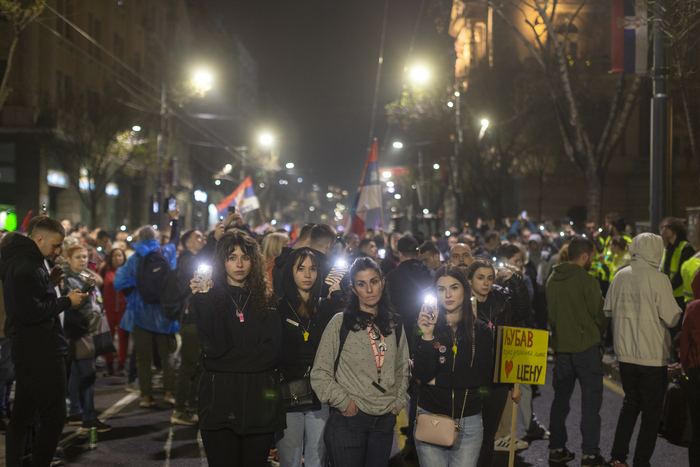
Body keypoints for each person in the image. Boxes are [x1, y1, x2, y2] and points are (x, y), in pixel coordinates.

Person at [190, 229, 284, 467]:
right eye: (232, 257)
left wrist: (225, 361)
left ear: (254, 260)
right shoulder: (207, 297)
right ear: (222, 262)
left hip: (259, 406)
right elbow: (213, 349)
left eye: (245, 257)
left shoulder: (267, 299)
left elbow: (272, 354)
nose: (239, 264)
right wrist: (202, 300)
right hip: (219, 404)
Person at [0, 217, 86, 467]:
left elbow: (27, 300)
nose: (58, 251)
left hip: (31, 350)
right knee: (53, 417)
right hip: (41, 352)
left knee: (23, 416)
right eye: (56, 245)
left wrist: (47, 284)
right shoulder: (26, 265)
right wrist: (66, 301)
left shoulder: (27, 261)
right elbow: (29, 313)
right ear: (39, 239)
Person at [310, 257, 410, 467]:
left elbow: (403, 369)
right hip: (349, 421)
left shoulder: (395, 323)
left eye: (374, 282)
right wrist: (345, 403)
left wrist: (397, 403)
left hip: (384, 420)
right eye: (362, 284)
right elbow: (320, 373)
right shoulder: (341, 322)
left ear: (382, 282)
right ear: (353, 289)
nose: (370, 289)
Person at [604, 233, 682, 467]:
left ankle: (618, 457)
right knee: (650, 414)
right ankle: (641, 461)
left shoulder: (620, 275)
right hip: (652, 357)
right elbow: (672, 317)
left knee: (630, 405)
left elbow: (608, 309)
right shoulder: (659, 279)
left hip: (625, 354)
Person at [413, 264, 494, 467]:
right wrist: (428, 336)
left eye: (454, 287)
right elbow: (422, 374)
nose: (448, 294)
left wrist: (437, 380)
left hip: (469, 420)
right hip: (430, 415)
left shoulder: (481, 331)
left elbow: (480, 375)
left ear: (465, 290)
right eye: (441, 289)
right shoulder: (425, 327)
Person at [275, 248, 341, 467]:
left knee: (317, 457)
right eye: (300, 268)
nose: (307, 275)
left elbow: (332, 348)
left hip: (320, 393)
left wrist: (336, 303)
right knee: (289, 458)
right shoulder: (279, 307)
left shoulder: (326, 306)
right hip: (287, 392)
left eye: (313, 269)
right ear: (290, 272)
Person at [546, 237, 608, 466]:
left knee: (560, 401)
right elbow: (600, 316)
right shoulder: (587, 281)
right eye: (591, 256)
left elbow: (550, 315)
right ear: (585, 256)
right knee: (590, 403)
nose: (592, 260)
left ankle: (556, 448)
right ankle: (590, 454)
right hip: (586, 350)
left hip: (562, 349)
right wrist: (598, 333)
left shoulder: (553, 279)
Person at [466, 260, 534, 466]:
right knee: (467, 436)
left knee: (488, 438)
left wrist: (515, 281)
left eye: (489, 278)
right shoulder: (461, 303)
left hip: (496, 378)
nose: (485, 283)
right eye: (480, 278)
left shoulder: (501, 300)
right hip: (469, 379)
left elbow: (522, 311)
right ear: (470, 280)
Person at [113, 211, 180, 409]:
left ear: (139, 239)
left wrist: (134, 288)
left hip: (141, 316)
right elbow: (176, 240)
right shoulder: (166, 253)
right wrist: (175, 220)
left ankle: (145, 397)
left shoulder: (134, 259)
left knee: (143, 358)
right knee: (167, 357)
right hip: (165, 315)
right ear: (156, 238)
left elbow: (118, 282)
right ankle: (169, 393)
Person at [62, 244, 112, 432]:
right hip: (79, 331)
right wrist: (87, 285)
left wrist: (89, 274)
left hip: (90, 329)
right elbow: (74, 303)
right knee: (87, 374)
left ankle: (75, 412)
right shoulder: (67, 279)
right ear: (68, 259)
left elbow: (97, 285)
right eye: (78, 257)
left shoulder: (84, 274)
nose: (82, 260)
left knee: (76, 373)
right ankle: (89, 417)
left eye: (84, 257)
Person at [170, 228, 218, 426]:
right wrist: (215, 239)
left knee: (198, 364)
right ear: (188, 244)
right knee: (189, 366)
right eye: (198, 237)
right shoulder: (188, 261)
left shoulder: (192, 259)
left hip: (197, 320)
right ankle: (179, 409)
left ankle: (191, 404)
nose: (202, 239)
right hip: (191, 321)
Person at [385, 236, 434, 329]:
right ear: (419, 252)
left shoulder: (391, 277)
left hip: (403, 328)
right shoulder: (432, 274)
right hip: (429, 325)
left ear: (400, 254)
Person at [681, 269, 700, 467]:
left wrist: (686, 372)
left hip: (697, 373)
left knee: (697, 431)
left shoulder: (693, 308)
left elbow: (685, 348)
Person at [660, 217, 696, 311]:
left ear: (676, 229)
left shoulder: (685, 248)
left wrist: (667, 289)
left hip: (680, 297)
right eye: (663, 227)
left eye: (667, 227)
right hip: (669, 295)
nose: (664, 229)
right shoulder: (668, 249)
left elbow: (681, 274)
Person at [101, 247, 128, 375]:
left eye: (120, 256)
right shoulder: (104, 270)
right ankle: (109, 364)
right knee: (108, 338)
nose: (118, 258)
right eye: (115, 256)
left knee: (124, 337)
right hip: (108, 309)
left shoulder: (128, 270)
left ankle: (121, 364)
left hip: (124, 309)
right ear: (110, 258)